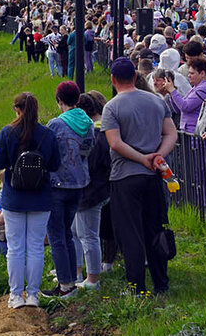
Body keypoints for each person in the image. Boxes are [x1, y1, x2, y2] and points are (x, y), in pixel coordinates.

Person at [102, 57, 178, 295]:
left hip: (125, 177)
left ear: (113, 80)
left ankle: (136, 287)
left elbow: (115, 143)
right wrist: (157, 157)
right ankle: (161, 283)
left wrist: (140, 158)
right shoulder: (156, 101)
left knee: (130, 232)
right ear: (136, 77)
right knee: (154, 229)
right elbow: (171, 134)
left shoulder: (112, 107)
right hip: (153, 175)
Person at [0, 92, 61, 308]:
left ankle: (15, 295)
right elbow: (55, 165)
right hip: (40, 197)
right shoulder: (47, 135)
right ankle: (32, 295)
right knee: (35, 247)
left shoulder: (7, 133)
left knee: (15, 248)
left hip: (14, 197)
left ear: (17, 109)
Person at [43, 81, 95, 299]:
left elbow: (47, 152)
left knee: (57, 235)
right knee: (68, 233)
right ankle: (71, 279)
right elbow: (87, 149)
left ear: (59, 101)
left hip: (57, 184)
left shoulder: (55, 124)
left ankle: (65, 285)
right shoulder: (88, 123)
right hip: (79, 183)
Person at [72, 92, 110, 290]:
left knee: (88, 236)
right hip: (96, 189)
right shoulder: (103, 130)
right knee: (79, 232)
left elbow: (92, 164)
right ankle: (79, 271)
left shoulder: (94, 134)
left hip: (91, 191)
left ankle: (92, 279)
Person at [157, 56, 206, 134]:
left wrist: (172, 91)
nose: (189, 76)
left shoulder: (204, 89)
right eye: (189, 73)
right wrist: (171, 94)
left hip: (195, 133)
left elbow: (185, 107)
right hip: (189, 130)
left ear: (202, 73)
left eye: (192, 73)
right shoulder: (196, 87)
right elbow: (178, 109)